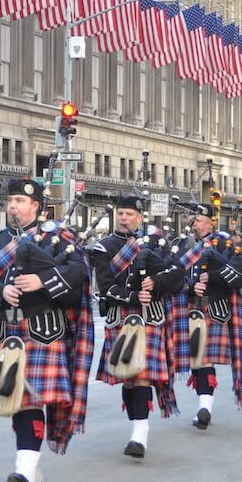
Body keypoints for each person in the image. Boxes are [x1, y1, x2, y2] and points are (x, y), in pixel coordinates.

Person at [0, 178, 94, 482]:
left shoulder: (58, 237)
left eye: (20, 202)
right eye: (10, 200)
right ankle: (31, 467)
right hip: (6, 333)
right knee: (17, 401)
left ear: (36, 206)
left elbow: (79, 271)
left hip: (42, 330)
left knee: (31, 399)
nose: (13, 206)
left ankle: (23, 469)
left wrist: (41, 280)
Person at [94, 196, 183, 459]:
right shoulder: (104, 247)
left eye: (129, 214)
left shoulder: (156, 243)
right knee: (129, 376)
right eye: (120, 214)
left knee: (142, 373)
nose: (123, 218)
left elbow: (177, 273)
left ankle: (139, 435)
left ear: (139, 218)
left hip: (150, 317)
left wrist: (155, 282)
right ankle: (136, 427)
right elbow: (105, 286)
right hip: (120, 314)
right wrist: (133, 296)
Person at [182, 205, 242, 430]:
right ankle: (204, 405)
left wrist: (211, 278)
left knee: (205, 359)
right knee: (196, 359)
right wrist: (192, 286)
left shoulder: (224, 244)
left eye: (200, 219)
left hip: (214, 308)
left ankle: (205, 407)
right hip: (190, 309)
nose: (195, 223)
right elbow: (174, 277)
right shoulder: (182, 245)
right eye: (194, 219)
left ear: (211, 222)